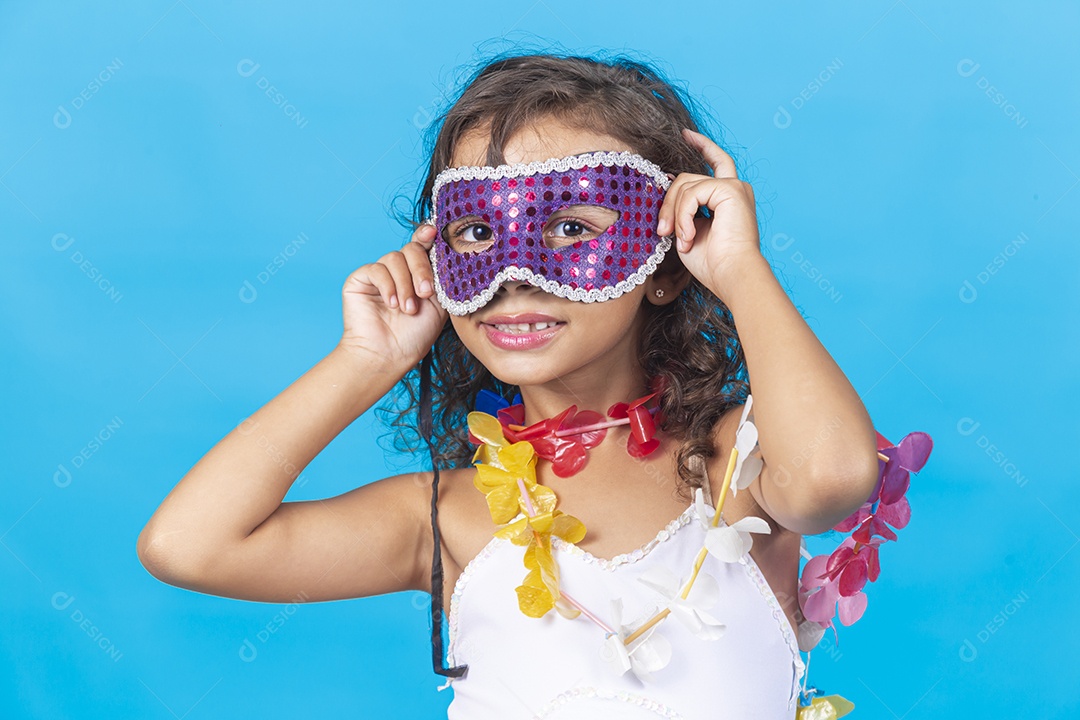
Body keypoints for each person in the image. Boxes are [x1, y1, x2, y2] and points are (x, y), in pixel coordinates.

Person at [137, 50, 894, 719]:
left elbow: (833, 478)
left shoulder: (737, 464)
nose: (514, 276)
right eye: (476, 234)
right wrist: (366, 360)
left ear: (664, 264)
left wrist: (739, 270)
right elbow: (188, 546)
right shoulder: (443, 517)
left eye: (570, 227)